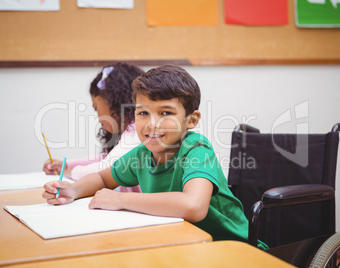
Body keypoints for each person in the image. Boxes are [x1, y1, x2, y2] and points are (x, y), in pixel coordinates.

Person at [42, 65, 267, 249]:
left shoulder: (196, 149)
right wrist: (72, 191)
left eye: (166, 113)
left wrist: (120, 200)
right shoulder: (142, 154)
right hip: (182, 245)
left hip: (233, 250)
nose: (152, 123)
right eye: (143, 113)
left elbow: (193, 206)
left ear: (191, 120)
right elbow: (103, 178)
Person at [42, 62, 142, 192]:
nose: (98, 117)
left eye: (96, 108)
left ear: (113, 102)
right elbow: (107, 158)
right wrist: (67, 164)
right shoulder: (129, 132)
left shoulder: (135, 134)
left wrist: (69, 171)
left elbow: (103, 169)